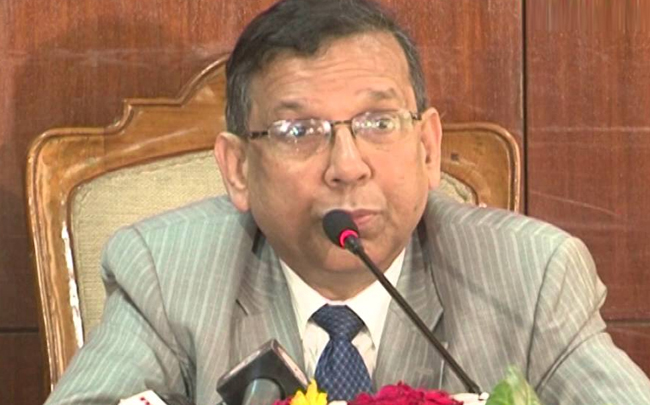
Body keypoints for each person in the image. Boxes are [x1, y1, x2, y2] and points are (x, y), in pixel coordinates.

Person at [46, 0, 650, 404]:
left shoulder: (531, 275)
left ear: (428, 148)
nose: (346, 166)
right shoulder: (165, 271)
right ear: (238, 169)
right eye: (297, 131)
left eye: (378, 122)